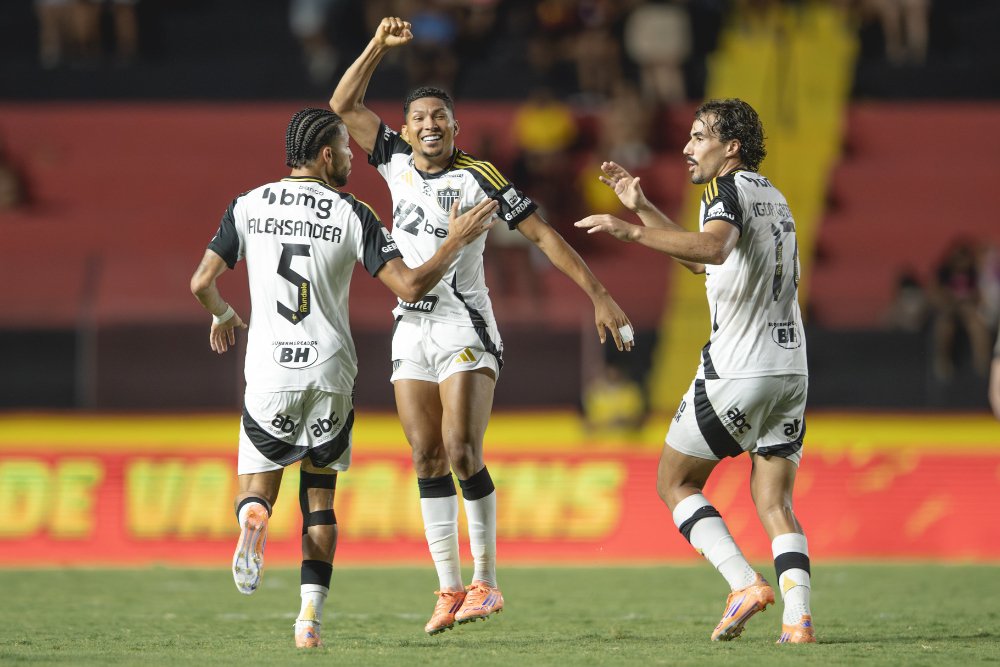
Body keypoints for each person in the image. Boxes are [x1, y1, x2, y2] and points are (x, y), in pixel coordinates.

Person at [330, 16, 633, 636]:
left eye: (440, 116)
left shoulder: (479, 177)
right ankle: (448, 588)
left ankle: (487, 583)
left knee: (464, 451)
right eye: (419, 118)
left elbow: (543, 233)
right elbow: (342, 104)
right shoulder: (391, 161)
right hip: (410, 328)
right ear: (407, 128)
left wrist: (599, 294)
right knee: (425, 455)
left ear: (455, 127)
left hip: (465, 328)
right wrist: (379, 47)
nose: (430, 125)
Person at [189, 108, 497, 649]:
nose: (355, 157)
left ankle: (254, 514)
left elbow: (201, 282)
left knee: (259, 488)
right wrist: (453, 242)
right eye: (348, 151)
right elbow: (409, 286)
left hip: (268, 369)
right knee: (320, 499)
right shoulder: (353, 211)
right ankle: (308, 619)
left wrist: (221, 314)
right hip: (330, 370)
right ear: (327, 155)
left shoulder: (248, 204)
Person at [576, 98, 816, 644]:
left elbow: (711, 246)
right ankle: (798, 619)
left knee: (674, 480)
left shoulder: (725, 191)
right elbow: (703, 260)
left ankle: (742, 583)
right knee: (775, 501)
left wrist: (628, 231)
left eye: (698, 136)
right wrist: (642, 208)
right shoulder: (773, 197)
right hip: (791, 370)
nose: (687, 147)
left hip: (740, 367)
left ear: (730, 148)